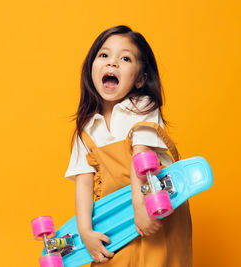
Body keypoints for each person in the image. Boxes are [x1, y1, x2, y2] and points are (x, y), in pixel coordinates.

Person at [65, 25, 192, 267]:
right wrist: (85, 230)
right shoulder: (86, 127)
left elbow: (141, 156)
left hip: (152, 205)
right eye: (104, 55)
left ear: (140, 79)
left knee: (158, 260)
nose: (112, 63)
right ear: (91, 67)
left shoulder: (142, 106)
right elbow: (84, 180)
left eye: (125, 58)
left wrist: (140, 206)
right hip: (118, 217)